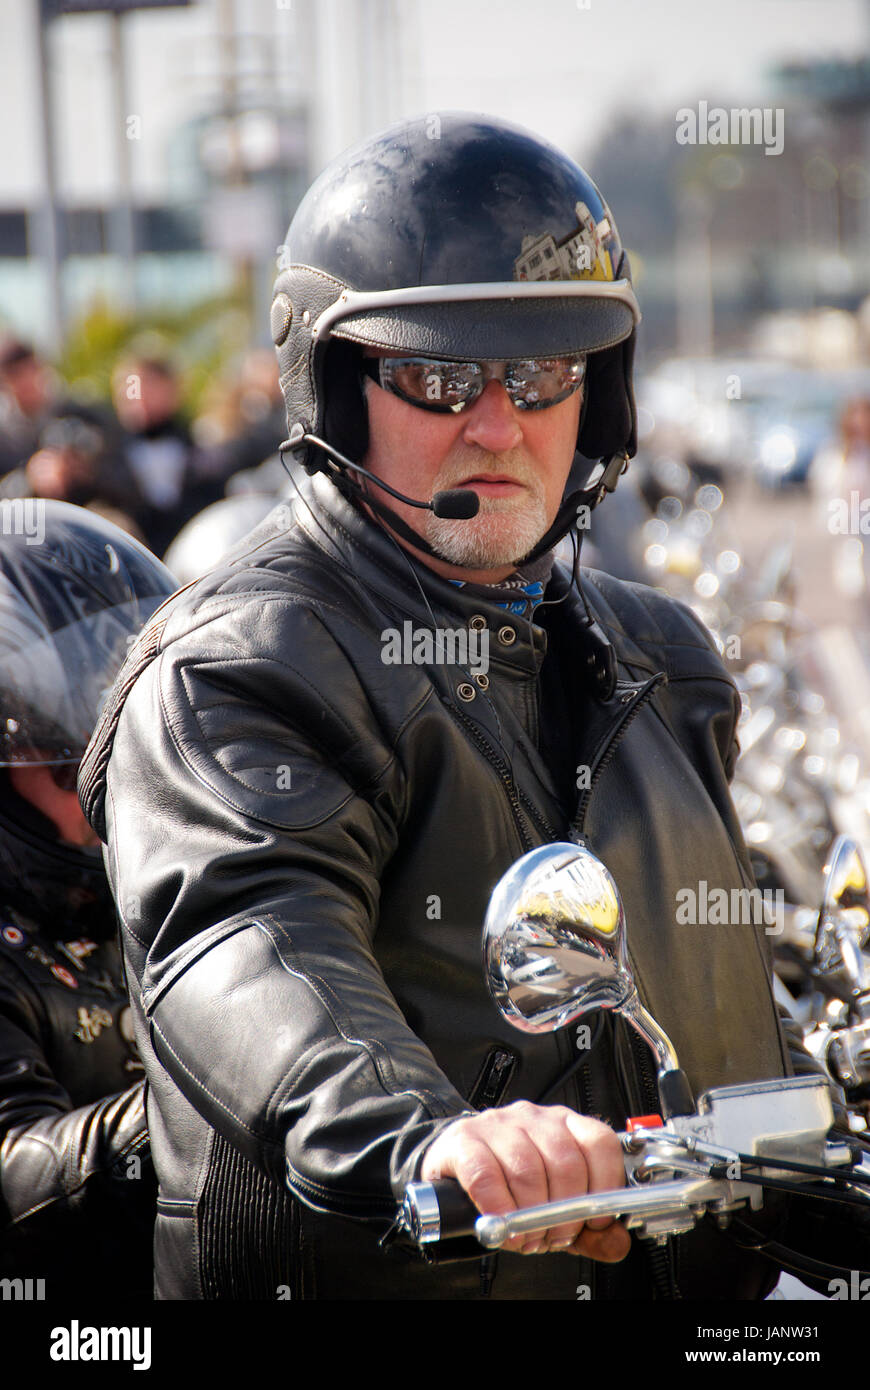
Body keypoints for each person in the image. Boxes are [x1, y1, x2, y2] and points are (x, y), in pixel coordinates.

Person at [79, 113, 855, 1301]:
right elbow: (245, 936)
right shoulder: (240, 666)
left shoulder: (665, 661)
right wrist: (434, 1138)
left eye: (542, 375)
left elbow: (719, 998)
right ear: (337, 391)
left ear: (595, 398)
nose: (498, 424)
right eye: (439, 376)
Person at [0, 502, 176, 1300]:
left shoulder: (147, 898)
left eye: (129, 763)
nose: (107, 803)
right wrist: (205, 1108)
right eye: (75, 773)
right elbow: (14, 1181)